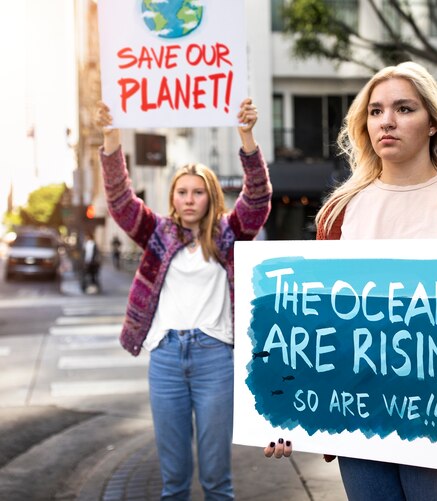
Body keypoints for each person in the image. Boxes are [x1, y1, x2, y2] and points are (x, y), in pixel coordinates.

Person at [264, 61, 437, 500]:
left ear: (433, 123)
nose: (387, 121)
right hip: (360, 428)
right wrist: (283, 416)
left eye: (404, 108)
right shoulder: (338, 214)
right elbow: (312, 330)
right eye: (375, 111)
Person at [95, 98, 272, 500]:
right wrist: (111, 140)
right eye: (182, 192)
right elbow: (121, 202)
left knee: (217, 480)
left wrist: (246, 138)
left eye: (198, 192)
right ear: (172, 197)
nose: (189, 199)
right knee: (173, 482)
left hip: (215, 359)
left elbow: (258, 199)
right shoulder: (157, 233)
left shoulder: (228, 235)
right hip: (166, 359)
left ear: (210, 197)